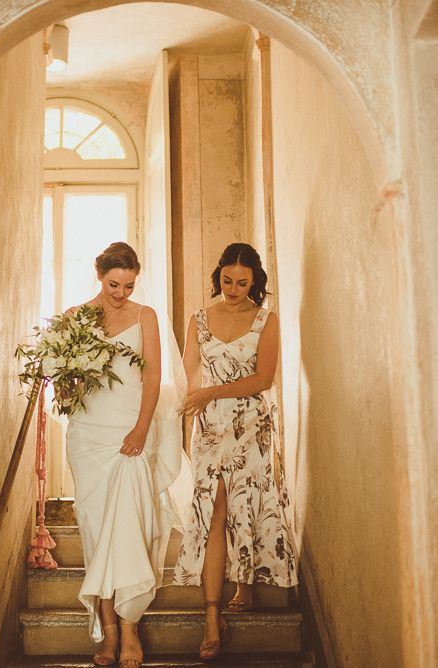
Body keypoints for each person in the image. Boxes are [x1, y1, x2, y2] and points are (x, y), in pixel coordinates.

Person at [172, 242, 298, 661]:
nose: (233, 288)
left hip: (251, 424)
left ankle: (246, 584)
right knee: (214, 511)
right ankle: (211, 617)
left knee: (247, 503)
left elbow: (263, 379)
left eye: (242, 282)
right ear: (218, 275)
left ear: (255, 281)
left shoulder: (266, 320)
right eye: (227, 280)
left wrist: (211, 391)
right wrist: (194, 402)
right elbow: (190, 376)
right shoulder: (200, 320)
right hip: (209, 428)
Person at [65, 242, 181, 668]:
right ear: (100, 275)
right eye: (114, 284)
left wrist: (141, 427)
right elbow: (68, 383)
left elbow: (152, 378)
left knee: (131, 525)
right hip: (88, 434)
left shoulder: (144, 316)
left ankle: (130, 629)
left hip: (131, 429)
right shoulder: (75, 319)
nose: (121, 293)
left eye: (129, 285)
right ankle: (108, 633)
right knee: (97, 532)